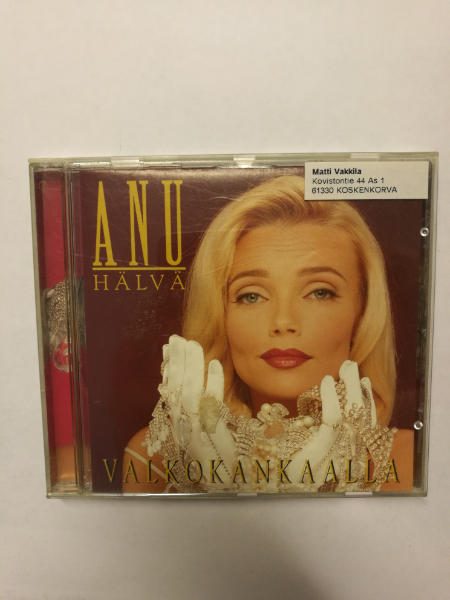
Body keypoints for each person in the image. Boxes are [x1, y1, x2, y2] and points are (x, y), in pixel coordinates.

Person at [123, 175, 413, 493]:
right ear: (220, 316)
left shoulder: (408, 461)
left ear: (362, 313)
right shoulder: (154, 455)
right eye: (251, 295)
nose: (283, 322)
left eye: (320, 292)